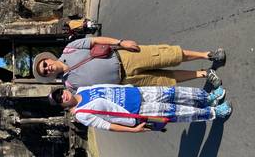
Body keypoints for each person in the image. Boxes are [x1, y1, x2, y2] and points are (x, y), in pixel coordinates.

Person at [32, 36, 225, 90]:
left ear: (48, 58)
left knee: (167, 55)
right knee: (165, 80)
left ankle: (207, 55)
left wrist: (121, 43)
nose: (47, 68)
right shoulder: (70, 85)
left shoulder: (70, 48)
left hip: (124, 57)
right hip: (127, 83)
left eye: (45, 64)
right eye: (45, 71)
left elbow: (96, 41)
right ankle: (203, 74)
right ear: (48, 75)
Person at [48, 85, 232, 133]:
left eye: (60, 93)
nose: (62, 96)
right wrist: (133, 129)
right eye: (59, 100)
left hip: (137, 93)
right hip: (138, 110)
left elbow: (107, 87)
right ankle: (214, 113)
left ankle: (208, 98)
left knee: (173, 93)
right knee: (174, 112)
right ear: (62, 106)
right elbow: (107, 126)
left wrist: (129, 87)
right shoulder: (81, 115)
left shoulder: (82, 89)